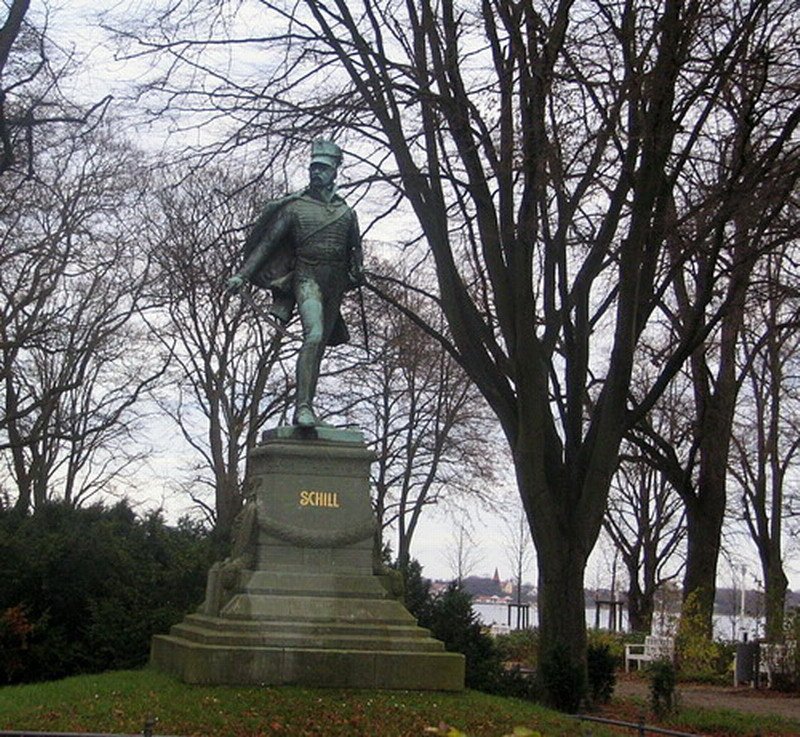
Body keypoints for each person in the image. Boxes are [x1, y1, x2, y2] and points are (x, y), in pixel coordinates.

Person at [226, 140, 364, 427]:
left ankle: (308, 408)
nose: (317, 173)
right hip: (307, 277)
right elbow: (266, 245)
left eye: (323, 169)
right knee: (313, 336)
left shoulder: (347, 214)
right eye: (313, 167)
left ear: (335, 172)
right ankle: (302, 408)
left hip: (335, 282)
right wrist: (243, 274)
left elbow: (355, 255)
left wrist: (357, 273)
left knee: (320, 345)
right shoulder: (295, 208)